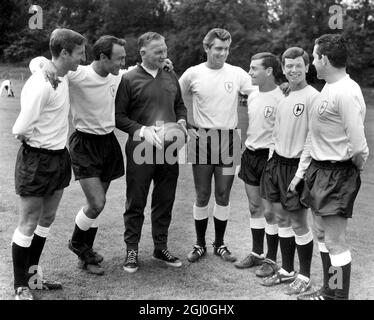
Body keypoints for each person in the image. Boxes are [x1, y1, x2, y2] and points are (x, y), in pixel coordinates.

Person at [11, 28, 86, 300]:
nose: (82, 58)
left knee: (47, 218)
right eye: (79, 54)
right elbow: (20, 129)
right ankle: (21, 286)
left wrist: (41, 64)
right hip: (36, 158)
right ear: (64, 53)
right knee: (28, 221)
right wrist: (38, 143)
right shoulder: (42, 83)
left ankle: (33, 278)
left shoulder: (60, 74)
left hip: (59, 157)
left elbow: (39, 61)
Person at [298, 34, 369, 300]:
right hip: (319, 171)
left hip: (336, 174)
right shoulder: (328, 87)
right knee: (321, 234)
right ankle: (329, 289)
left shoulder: (347, 92)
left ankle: (337, 297)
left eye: (314, 57)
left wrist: (350, 172)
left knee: (335, 240)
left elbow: (359, 147)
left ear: (324, 59)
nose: (312, 63)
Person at [179, 28, 257, 263]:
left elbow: (258, 91)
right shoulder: (193, 74)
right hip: (202, 140)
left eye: (226, 49)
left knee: (223, 194)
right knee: (202, 194)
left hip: (229, 142)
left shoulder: (237, 73)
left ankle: (220, 244)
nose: (222, 53)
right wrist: (182, 117)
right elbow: (172, 94)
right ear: (207, 48)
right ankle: (199, 243)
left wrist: (279, 88)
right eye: (218, 49)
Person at [115, 31, 187, 273]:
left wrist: (183, 122)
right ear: (143, 53)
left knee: (165, 200)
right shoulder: (129, 79)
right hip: (140, 150)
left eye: (165, 51)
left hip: (169, 151)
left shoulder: (170, 74)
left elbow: (179, 106)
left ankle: (160, 247)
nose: (164, 55)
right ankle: (132, 250)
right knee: (136, 201)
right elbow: (119, 118)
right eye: (158, 52)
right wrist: (142, 130)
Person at [260, 47, 319, 295]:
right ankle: (286, 271)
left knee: (297, 222)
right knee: (280, 217)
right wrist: (272, 159)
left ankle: (304, 276)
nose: (293, 69)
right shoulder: (285, 96)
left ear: (307, 67)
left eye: (298, 65)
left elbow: (311, 139)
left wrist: (299, 174)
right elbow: (276, 132)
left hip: (296, 167)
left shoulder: (313, 97)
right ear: (282, 69)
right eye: (288, 65)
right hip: (277, 164)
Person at [234, 53, 283, 278]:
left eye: (254, 69)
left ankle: (272, 260)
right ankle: (256, 252)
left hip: (270, 158)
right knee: (254, 207)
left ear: (269, 71)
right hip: (250, 155)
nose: (250, 73)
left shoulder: (281, 97)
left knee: (270, 212)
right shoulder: (252, 94)